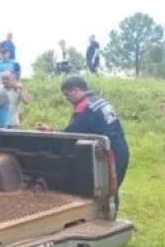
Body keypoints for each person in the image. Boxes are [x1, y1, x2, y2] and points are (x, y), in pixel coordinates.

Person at [37, 76, 129, 209]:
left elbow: (72, 134)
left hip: (108, 152)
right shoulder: (99, 101)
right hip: (120, 148)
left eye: (67, 95)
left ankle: (105, 221)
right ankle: (110, 218)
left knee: (105, 190)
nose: (67, 99)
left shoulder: (84, 106)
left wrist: (52, 133)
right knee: (111, 189)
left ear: (76, 90)